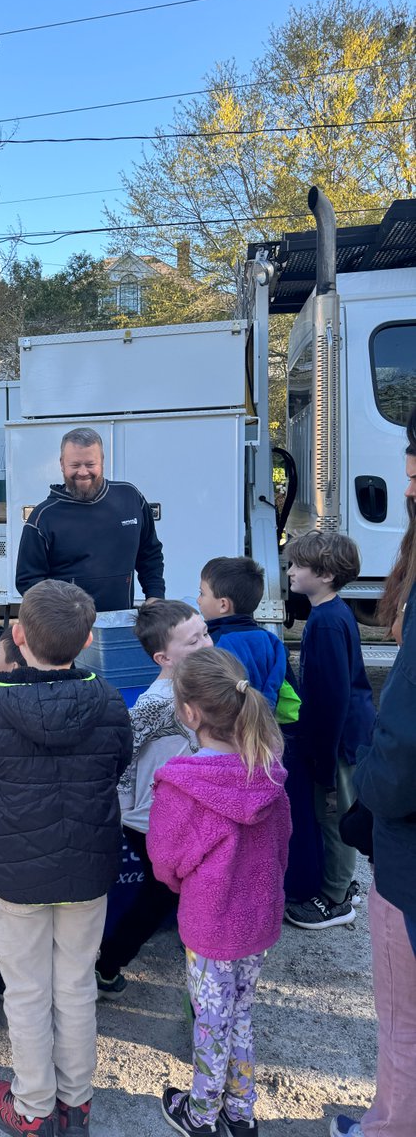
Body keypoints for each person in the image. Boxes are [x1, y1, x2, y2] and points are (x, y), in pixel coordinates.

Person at [0, 579, 132, 1137]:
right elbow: (115, 765)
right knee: (75, 985)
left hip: (15, 869)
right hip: (85, 866)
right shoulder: (107, 697)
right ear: (86, 641)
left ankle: (34, 1107)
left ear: (19, 635)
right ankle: (75, 1103)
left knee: (29, 991)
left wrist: (6, 819)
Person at [148, 647, 291, 1137]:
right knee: (241, 1014)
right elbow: (282, 846)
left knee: (210, 1020)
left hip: (209, 924)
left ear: (189, 713)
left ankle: (202, 1113)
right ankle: (241, 1109)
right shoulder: (269, 773)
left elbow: (165, 859)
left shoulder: (183, 784)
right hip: (257, 918)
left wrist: (179, 886)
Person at [330, 413, 416, 1137]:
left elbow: (405, 732)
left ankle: (389, 1124)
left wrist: (370, 803)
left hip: (408, 840)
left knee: (404, 1013)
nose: (408, 489)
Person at [96, 599, 211, 1000]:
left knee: (172, 891)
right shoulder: (156, 703)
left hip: (179, 816)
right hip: (150, 821)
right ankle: (107, 964)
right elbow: (123, 755)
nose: (207, 644)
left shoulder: (196, 686)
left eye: (206, 633)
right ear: (163, 657)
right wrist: (125, 806)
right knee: (164, 892)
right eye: (193, 641)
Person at [283, 532, 375, 931]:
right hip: (341, 735)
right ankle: (339, 885)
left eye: (296, 566)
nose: (289, 571)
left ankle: (336, 899)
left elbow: (333, 697)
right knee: (333, 813)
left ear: (324, 574)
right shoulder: (329, 614)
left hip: (339, 741)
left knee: (334, 815)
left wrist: (322, 757)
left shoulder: (327, 623)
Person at [15, 427, 165, 611]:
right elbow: (28, 581)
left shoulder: (130, 498)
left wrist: (155, 595)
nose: (83, 472)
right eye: (75, 465)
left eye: (90, 464)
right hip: (66, 631)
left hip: (118, 623)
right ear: (62, 464)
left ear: (102, 461)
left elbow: (150, 553)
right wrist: (60, 614)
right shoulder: (42, 518)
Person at [197, 556, 290, 713]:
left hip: (225, 730)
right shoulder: (271, 641)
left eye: (202, 594)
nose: (198, 600)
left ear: (223, 605)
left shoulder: (212, 643)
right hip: (265, 726)